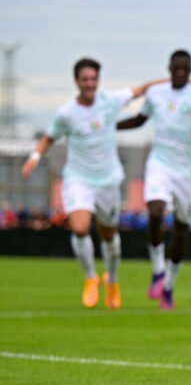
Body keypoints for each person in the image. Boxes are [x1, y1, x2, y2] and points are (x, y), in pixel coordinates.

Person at [21, 58, 162, 310]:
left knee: (109, 235)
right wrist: (34, 158)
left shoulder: (111, 100)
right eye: (84, 79)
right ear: (76, 81)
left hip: (108, 180)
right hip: (78, 179)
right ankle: (90, 277)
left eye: (93, 79)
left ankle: (112, 280)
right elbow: (48, 137)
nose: (89, 83)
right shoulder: (66, 113)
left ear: (98, 80)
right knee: (80, 228)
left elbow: (142, 89)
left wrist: (176, 82)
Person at [117, 49, 191, 310]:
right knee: (155, 211)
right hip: (159, 164)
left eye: (185, 70)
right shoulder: (156, 93)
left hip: (186, 173)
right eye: (176, 68)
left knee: (181, 231)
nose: (180, 73)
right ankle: (157, 270)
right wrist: (112, 123)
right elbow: (139, 119)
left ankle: (168, 287)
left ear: (190, 71)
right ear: (168, 68)